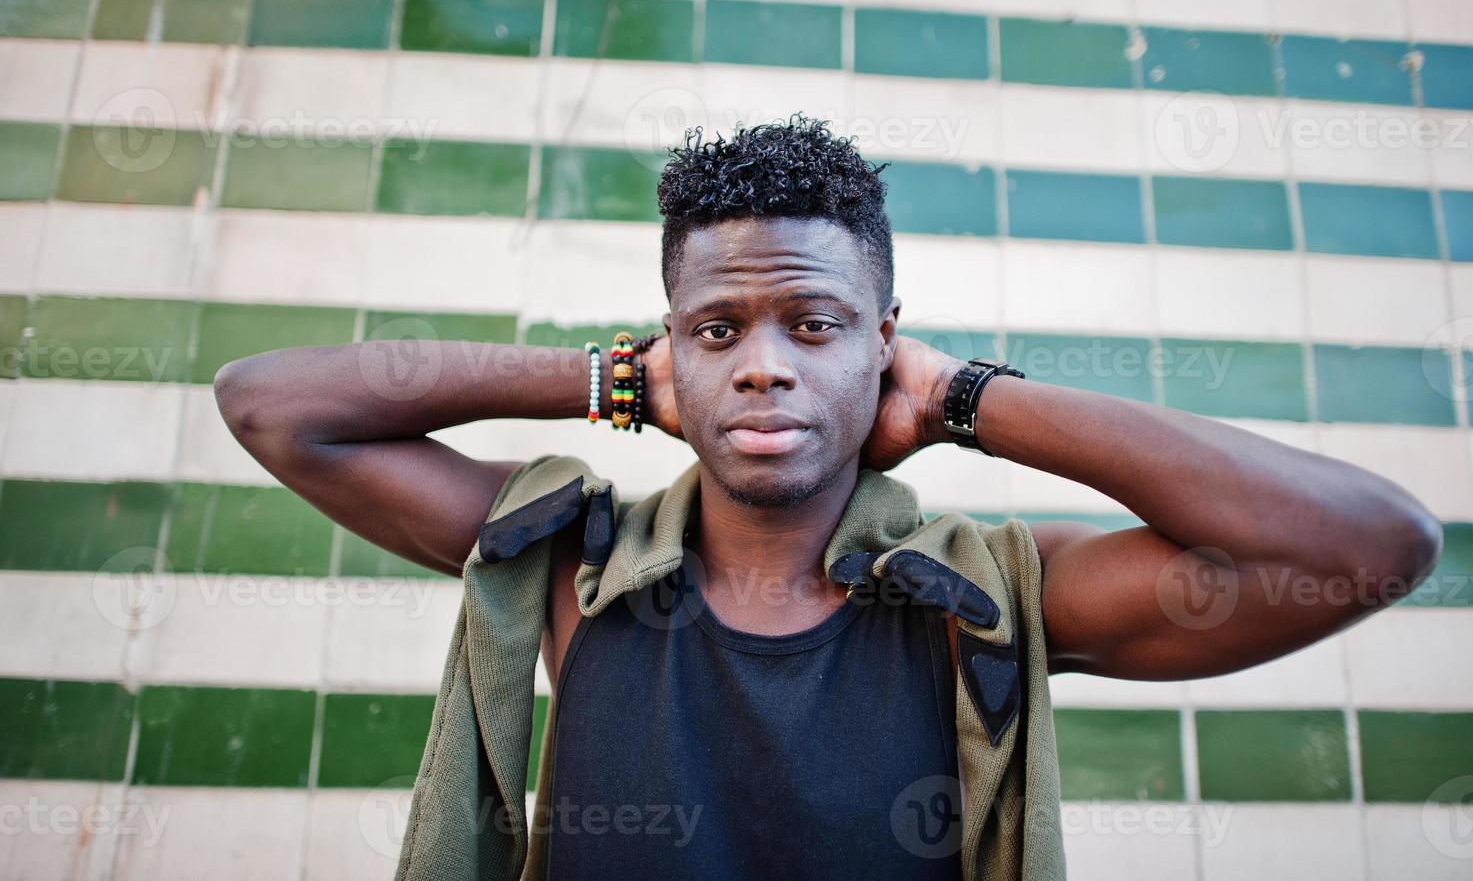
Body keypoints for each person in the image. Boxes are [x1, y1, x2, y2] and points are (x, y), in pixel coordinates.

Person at [214, 114, 1441, 878]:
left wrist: (969, 397)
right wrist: (605, 379)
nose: (761, 361)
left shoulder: (991, 598)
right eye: (717, 329)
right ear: (667, 357)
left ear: (884, 347)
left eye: (816, 323)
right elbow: (273, 402)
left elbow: (1373, 542)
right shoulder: (576, 565)